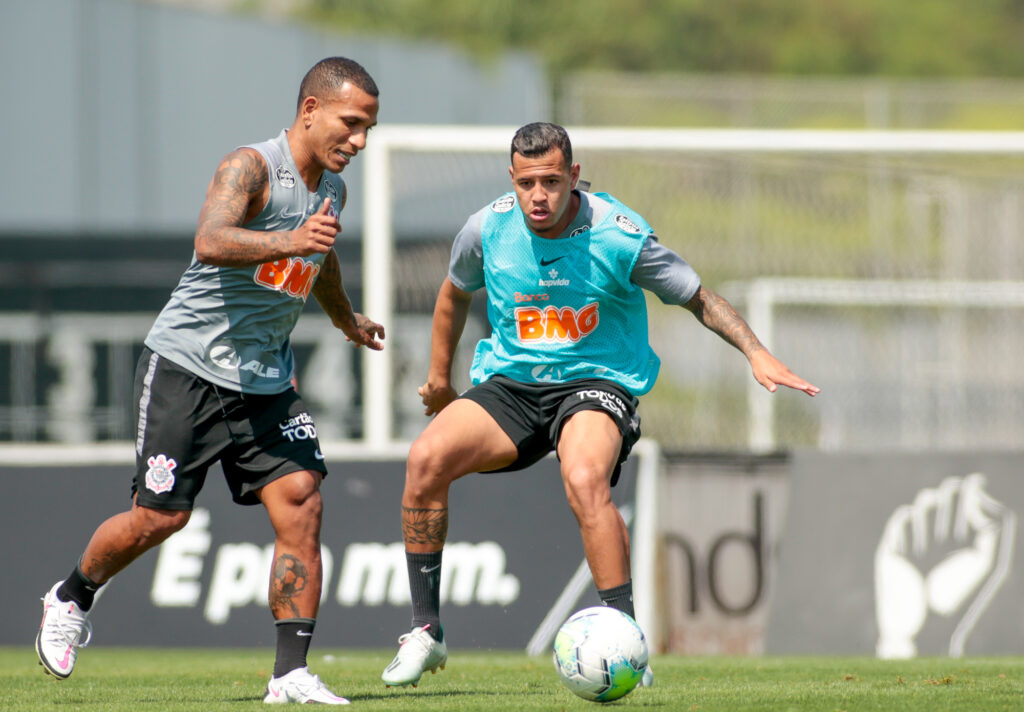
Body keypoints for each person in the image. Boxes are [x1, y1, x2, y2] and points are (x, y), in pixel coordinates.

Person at [381, 122, 819, 689]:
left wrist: (756, 353)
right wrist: (440, 380)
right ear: (511, 179)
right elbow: (454, 292)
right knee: (424, 461)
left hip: (597, 381)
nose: (539, 196)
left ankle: (627, 640)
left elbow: (699, 297)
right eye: (527, 183)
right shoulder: (486, 229)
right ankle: (426, 632)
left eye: (552, 182)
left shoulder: (617, 234)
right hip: (513, 383)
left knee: (585, 476)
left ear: (574, 177)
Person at [35, 57, 384, 705]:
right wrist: (289, 240)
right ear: (310, 110)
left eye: (368, 128)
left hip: (266, 382)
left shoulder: (332, 191)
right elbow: (211, 240)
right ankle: (71, 596)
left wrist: (346, 319)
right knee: (157, 518)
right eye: (351, 123)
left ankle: (290, 675)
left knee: (303, 501)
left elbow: (322, 256)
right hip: (188, 369)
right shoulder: (249, 166)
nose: (359, 141)